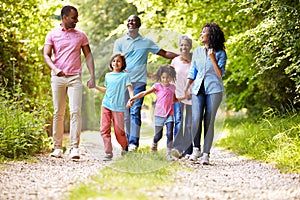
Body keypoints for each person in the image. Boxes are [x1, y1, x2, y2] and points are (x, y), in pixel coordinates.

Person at [113, 15, 178, 151]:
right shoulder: (120, 42)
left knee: (135, 111)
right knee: (125, 113)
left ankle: (133, 143)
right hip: (123, 82)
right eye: (129, 20)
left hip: (139, 82)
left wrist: (181, 56)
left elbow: (164, 53)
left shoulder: (146, 42)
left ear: (139, 25)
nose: (131, 23)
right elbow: (115, 61)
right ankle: (126, 142)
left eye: (134, 21)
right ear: (127, 24)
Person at [43, 5, 95, 159]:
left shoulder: (81, 36)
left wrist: (92, 75)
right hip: (58, 77)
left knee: (75, 111)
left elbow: (88, 55)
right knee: (58, 112)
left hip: (74, 78)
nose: (76, 21)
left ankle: (74, 148)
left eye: (77, 17)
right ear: (64, 17)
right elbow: (46, 55)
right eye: (73, 18)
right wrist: (54, 68)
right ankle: (57, 147)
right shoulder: (52, 34)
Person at [184, 23, 227, 165]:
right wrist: (186, 87)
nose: (201, 34)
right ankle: (196, 149)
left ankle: (206, 154)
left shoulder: (221, 53)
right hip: (198, 90)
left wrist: (213, 58)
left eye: (204, 32)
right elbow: (193, 71)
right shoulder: (197, 51)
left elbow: (219, 74)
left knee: (209, 121)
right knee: (196, 119)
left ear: (211, 35)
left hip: (214, 90)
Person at [128, 65, 183, 161]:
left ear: (171, 77)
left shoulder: (173, 87)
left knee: (170, 133)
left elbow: (174, 99)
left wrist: (185, 98)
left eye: (168, 77)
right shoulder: (157, 86)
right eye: (163, 77)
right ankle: (154, 143)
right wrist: (133, 98)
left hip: (170, 113)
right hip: (159, 114)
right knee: (159, 135)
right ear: (160, 77)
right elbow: (144, 93)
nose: (165, 80)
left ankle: (168, 154)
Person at [95, 53, 134, 161]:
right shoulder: (108, 76)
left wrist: (131, 99)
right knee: (104, 129)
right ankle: (108, 152)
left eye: (118, 61)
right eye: (114, 61)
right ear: (111, 63)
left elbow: (130, 89)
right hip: (106, 105)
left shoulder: (125, 76)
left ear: (122, 64)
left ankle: (125, 147)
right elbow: (106, 90)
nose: (115, 63)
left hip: (118, 108)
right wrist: (95, 86)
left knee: (119, 131)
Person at [171, 35, 193, 159]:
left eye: (186, 45)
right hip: (178, 95)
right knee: (179, 121)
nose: (184, 47)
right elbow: (170, 77)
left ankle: (188, 151)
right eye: (182, 45)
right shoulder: (175, 61)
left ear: (190, 47)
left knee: (189, 123)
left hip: (191, 95)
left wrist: (193, 92)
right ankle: (177, 148)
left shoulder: (194, 60)